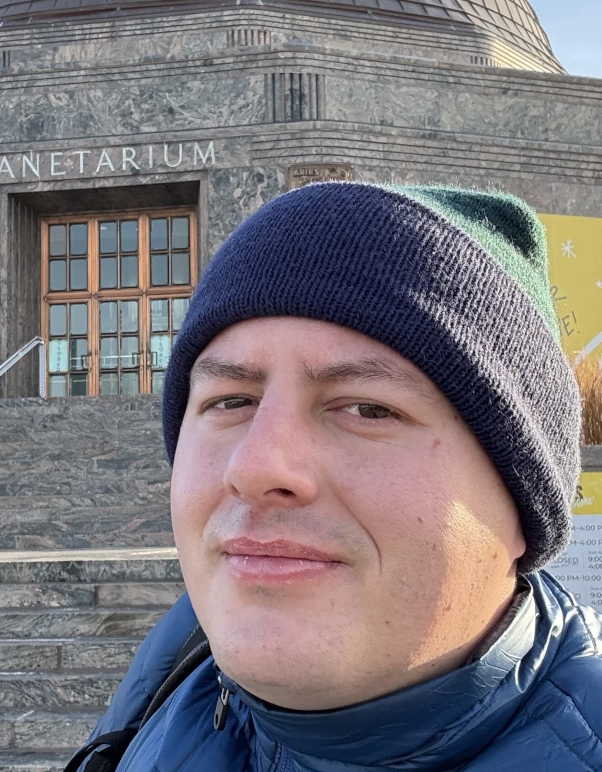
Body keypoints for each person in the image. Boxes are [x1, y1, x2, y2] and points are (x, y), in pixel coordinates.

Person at [67, 182, 602, 771]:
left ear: (520, 501)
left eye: (369, 408)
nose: (255, 466)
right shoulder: (170, 675)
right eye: (230, 401)